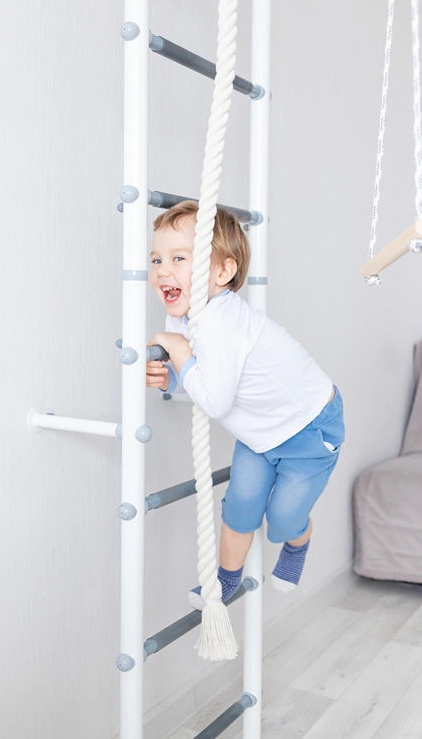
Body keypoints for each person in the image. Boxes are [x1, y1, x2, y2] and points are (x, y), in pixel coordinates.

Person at [147, 201, 345, 609]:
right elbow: (208, 385)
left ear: (223, 271)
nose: (163, 270)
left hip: (308, 427)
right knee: (239, 508)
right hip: (258, 434)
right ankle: (226, 580)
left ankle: (299, 539)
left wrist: (179, 353)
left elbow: (216, 401)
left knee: (283, 520)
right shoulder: (182, 320)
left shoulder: (221, 323)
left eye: (179, 258)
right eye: (156, 259)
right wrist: (172, 375)